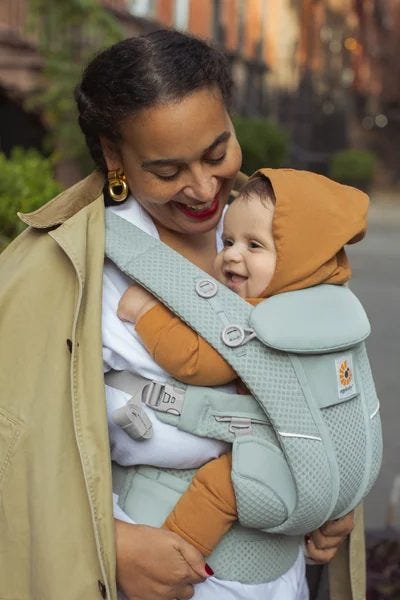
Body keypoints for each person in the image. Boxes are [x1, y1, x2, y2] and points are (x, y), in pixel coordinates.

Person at [0, 29, 360, 600]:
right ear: (115, 156)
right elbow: (15, 452)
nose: (202, 188)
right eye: (167, 171)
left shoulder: (277, 235)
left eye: (218, 153)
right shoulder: (63, 269)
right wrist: (107, 541)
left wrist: (333, 496)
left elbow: (330, 384)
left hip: (279, 577)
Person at [116, 167, 369, 561]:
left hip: (282, 457)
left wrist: (147, 313)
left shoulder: (267, 317)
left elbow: (198, 361)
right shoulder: (331, 301)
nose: (231, 253)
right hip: (325, 459)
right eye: (229, 240)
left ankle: (181, 553)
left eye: (254, 245)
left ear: (299, 257)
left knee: (223, 484)